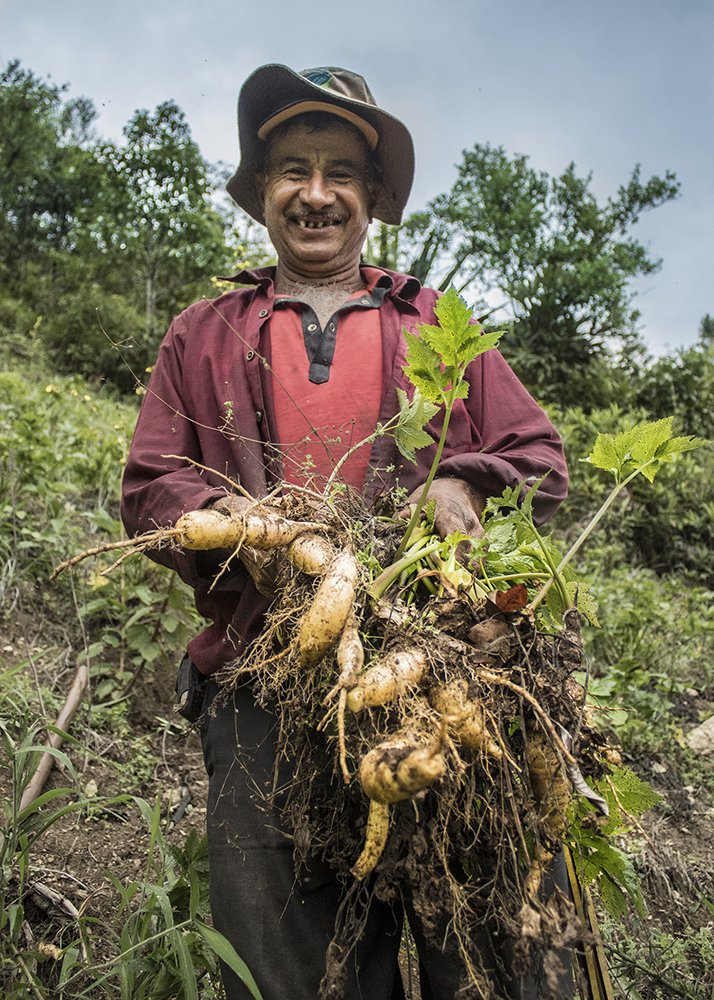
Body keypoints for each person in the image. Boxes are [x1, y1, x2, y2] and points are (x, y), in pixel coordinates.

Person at [121, 64, 571, 1000]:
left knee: (495, 949)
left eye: (340, 173)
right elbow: (150, 484)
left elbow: (539, 454)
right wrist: (223, 522)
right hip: (264, 673)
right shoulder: (204, 333)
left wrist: (463, 477)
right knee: (295, 967)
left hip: (448, 670)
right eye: (292, 168)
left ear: (372, 199)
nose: (315, 193)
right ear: (260, 193)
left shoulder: (441, 328)